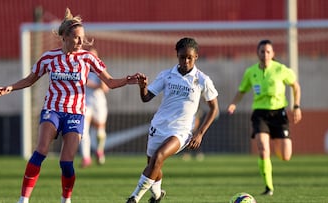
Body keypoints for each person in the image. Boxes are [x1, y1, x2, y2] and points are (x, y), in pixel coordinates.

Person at [0, 8, 140, 203]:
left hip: (76, 114)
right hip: (52, 110)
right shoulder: (49, 58)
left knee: (66, 162)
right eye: (77, 38)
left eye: (82, 38)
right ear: (64, 37)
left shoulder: (88, 58)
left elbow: (110, 82)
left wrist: (129, 80)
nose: (81, 42)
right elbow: (30, 79)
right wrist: (11, 87)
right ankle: (23, 199)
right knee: (41, 150)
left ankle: (66, 199)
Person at [126, 37, 219, 203]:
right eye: (182, 57)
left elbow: (214, 109)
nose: (186, 61)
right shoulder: (166, 75)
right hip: (158, 127)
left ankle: (134, 198)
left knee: (159, 157)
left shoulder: (202, 80)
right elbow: (146, 98)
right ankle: (157, 195)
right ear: (177, 56)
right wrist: (143, 87)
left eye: (189, 57)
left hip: (181, 132)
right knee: (154, 165)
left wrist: (200, 133)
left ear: (196, 57)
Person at [227, 39, 302, 196]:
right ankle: (269, 187)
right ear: (258, 53)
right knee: (262, 148)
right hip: (260, 114)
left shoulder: (282, 70)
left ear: (273, 54)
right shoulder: (251, 72)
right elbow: (242, 90)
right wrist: (234, 104)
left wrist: (296, 106)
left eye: (268, 51)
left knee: (285, 156)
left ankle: (276, 142)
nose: (265, 54)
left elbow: (295, 86)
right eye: (262, 51)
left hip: (279, 114)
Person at [80, 47, 109, 167]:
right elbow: (82, 82)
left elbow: (105, 88)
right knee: (83, 130)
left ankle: (99, 151)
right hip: (84, 102)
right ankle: (86, 158)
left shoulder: (100, 69)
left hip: (98, 102)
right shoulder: (81, 69)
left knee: (100, 130)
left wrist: (100, 80)